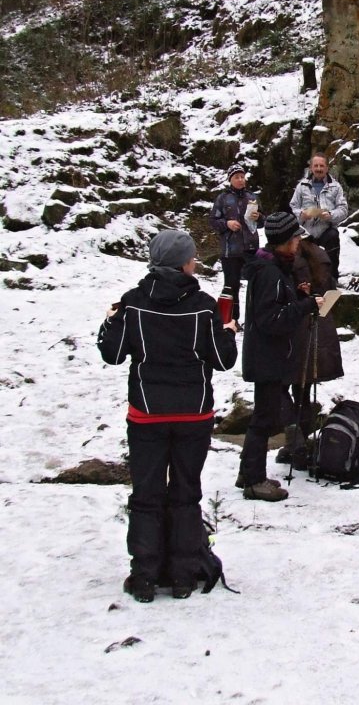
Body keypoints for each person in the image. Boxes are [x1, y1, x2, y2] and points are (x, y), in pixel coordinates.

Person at [97, 230, 238, 603]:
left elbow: (112, 354)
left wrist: (109, 321)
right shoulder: (204, 306)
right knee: (185, 493)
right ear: (185, 263)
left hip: (147, 413)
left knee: (146, 494)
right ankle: (182, 575)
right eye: (192, 257)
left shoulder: (133, 302)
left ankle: (144, 575)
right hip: (194, 414)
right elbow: (223, 360)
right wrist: (228, 333)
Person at [238, 211, 324, 502]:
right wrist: (305, 306)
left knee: (263, 417)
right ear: (285, 241)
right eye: (296, 238)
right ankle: (254, 480)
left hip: (267, 355)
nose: (299, 242)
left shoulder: (274, 268)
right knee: (264, 419)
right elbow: (271, 319)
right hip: (267, 357)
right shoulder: (269, 273)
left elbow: (275, 307)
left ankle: (248, 473)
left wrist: (297, 297)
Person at [275, 236, 344, 470]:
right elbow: (332, 291)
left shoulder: (290, 260)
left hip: (295, 330)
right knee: (302, 390)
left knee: (279, 385)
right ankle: (298, 446)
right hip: (319, 330)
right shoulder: (321, 255)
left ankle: (295, 442)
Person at [209, 163, 263, 323]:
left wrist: (259, 217)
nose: (240, 180)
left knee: (256, 285)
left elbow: (263, 222)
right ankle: (230, 320)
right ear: (230, 179)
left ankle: (254, 319)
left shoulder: (253, 197)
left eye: (242, 177)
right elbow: (213, 221)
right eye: (237, 177)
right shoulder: (222, 198)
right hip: (230, 250)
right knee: (231, 286)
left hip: (251, 248)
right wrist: (227, 224)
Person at [290, 152, 348, 279]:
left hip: (326, 229)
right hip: (306, 230)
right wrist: (301, 214)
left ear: (327, 168)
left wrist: (330, 215)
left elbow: (343, 209)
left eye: (322, 166)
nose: (318, 169)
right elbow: (293, 207)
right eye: (316, 166)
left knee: (333, 237)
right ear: (311, 168)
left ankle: (332, 278)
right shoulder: (301, 186)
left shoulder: (336, 187)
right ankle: (304, 280)